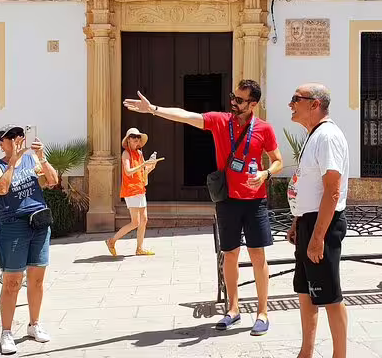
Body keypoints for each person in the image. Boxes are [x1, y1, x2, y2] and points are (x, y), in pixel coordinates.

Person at [123, 79, 283, 336]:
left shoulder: (264, 129)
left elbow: (278, 161)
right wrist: (153, 109)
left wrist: (265, 173)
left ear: (253, 104)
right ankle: (233, 309)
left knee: (257, 256)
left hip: (255, 201)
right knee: (229, 254)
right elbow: (186, 116)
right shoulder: (221, 121)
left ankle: (262, 312)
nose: (234, 102)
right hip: (228, 200)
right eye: (233, 97)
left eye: (240, 100)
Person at [286, 83, 349, 358]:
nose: (290, 104)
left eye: (295, 99)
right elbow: (309, 186)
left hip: (322, 226)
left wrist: (317, 237)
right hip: (308, 223)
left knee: (330, 295)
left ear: (314, 104)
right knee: (306, 291)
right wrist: (297, 222)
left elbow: (332, 190)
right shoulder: (315, 135)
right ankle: (306, 352)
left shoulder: (327, 137)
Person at [0, 124, 59, 355]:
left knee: (37, 279)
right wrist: (13, 162)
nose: (18, 139)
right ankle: (6, 332)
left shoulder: (32, 161)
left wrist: (42, 158)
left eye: (19, 135)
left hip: (38, 223)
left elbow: (52, 181)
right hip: (13, 227)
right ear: (2, 143)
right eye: (11, 137)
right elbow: (1, 189)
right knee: (12, 282)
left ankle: (34, 324)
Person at [105, 127, 159, 256]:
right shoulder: (126, 154)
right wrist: (143, 165)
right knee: (135, 222)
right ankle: (111, 241)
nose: (136, 139)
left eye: (138, 137)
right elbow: (128, 171)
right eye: (133, 137)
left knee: (144, 219)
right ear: (128, 139)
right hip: (131, 190)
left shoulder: (139, 153)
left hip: (140, 188)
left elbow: (143, 172)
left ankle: (139, 248)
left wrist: (150, 167)